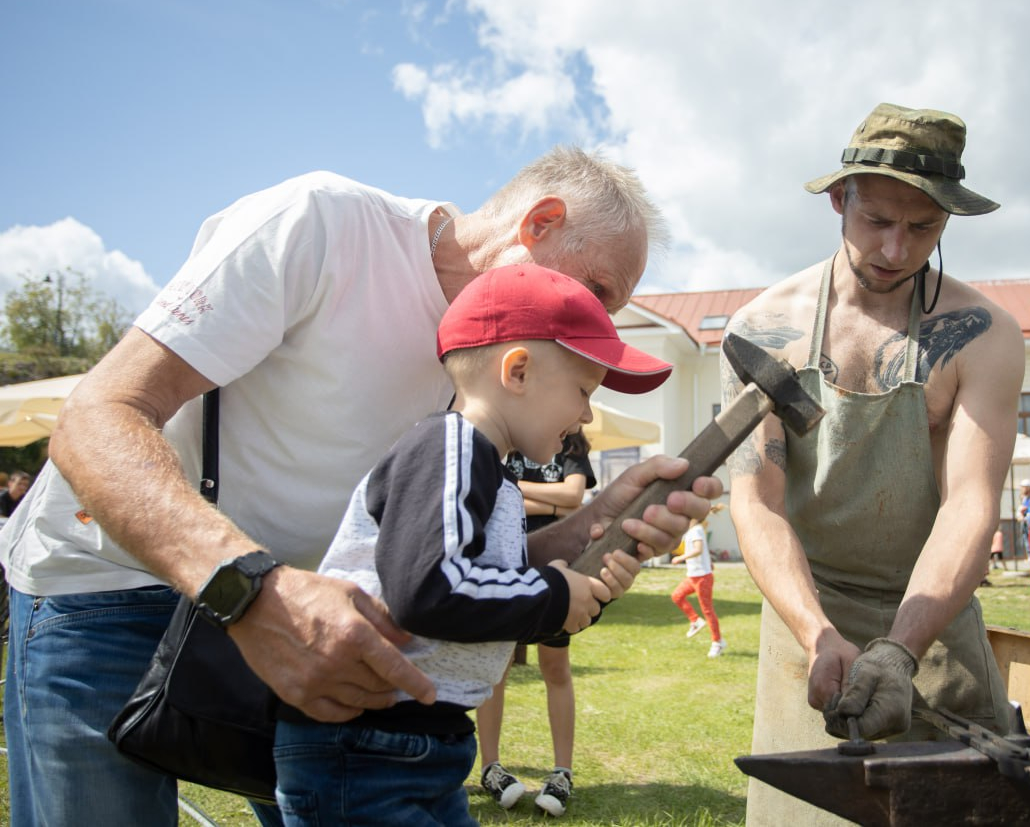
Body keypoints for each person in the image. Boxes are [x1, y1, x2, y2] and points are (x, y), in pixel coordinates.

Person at [0, 147, 722, 827]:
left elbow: (438, 560)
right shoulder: (320, 224)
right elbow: (97, 416)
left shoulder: (501, 368)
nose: (595, 323)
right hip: (107, 583)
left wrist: (593, 528)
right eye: (596, 290)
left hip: (281, 610)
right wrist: (250, 591)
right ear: (540, 224)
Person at [272, 264, 670, 824]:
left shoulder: (492, 473)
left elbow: (488, 589)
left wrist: (580, 589)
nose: (585, 414)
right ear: (519, 371)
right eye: (583, 391)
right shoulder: (450, 447)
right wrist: (554, 595)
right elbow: (430, 588)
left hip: (413, 745)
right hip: (367, 748)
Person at [723, 103, 1024, 825]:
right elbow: (756, 502)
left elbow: (970, 504)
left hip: (932, 615)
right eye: (877, 220)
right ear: (840, 199)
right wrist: (815, 632)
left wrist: (901, 648)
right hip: (808, 616)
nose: (895, 249)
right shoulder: (762, 332)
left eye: (923, 227)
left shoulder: (983, 336)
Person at [477, 431, 596, 816]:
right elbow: (495, 497)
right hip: (506, 569)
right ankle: (490, 768)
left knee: (556, 667)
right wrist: (553, 499)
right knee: (498, 668)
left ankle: (563, 771)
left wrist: (516, 493)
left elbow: (574, 497)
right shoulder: (505, 441)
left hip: (555, 574)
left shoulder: (573, 447)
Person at [671, 502, 728, 657]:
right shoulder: (692, 531)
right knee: (677, 596)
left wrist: (680, 558)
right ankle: (695, 621)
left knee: (708, 610)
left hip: (702, 578)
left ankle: (717, 642)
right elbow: (701, 550)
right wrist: (708, 561)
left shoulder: (696, 530)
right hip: (693, 576)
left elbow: (698, 549)